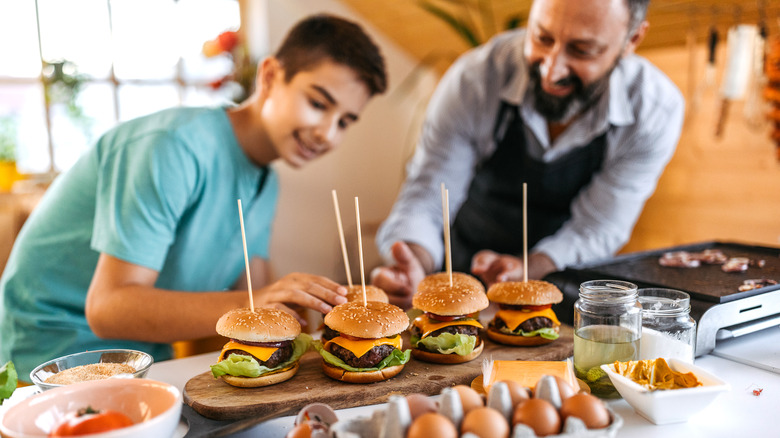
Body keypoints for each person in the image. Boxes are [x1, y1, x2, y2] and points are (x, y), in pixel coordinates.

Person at [0, 14, 387, 377]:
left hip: (148, 359)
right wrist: (260, 299)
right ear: (270, 75)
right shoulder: (172, 147)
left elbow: (256, 299)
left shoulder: (265, 182)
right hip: (54, 361)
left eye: (345, 122)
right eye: (318, 103)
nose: (328, 133)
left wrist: (319, 305)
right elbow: (106, 308)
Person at [372, 0, 684, 311]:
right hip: (461, 270)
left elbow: (596, 227)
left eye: (582, 50)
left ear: (631, 40)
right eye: (542, 38)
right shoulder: (476, 80)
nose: (552, 70)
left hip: (556, 285)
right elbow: (429, 194)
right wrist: (412, 262)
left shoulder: (654, 110)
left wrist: (527, 270)